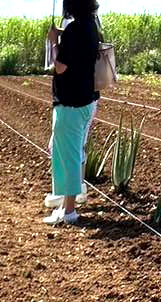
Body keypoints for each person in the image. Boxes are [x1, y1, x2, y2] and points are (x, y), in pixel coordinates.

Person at [44, 0, 100, 226]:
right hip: (86, 100)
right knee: (73, 154)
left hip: (70, 104)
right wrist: (62, 35)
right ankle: (65, 205)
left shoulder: (74, 30)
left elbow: (60, 66)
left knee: (67, 157)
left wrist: (54, 42)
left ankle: (68, 210)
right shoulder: (90, 25)